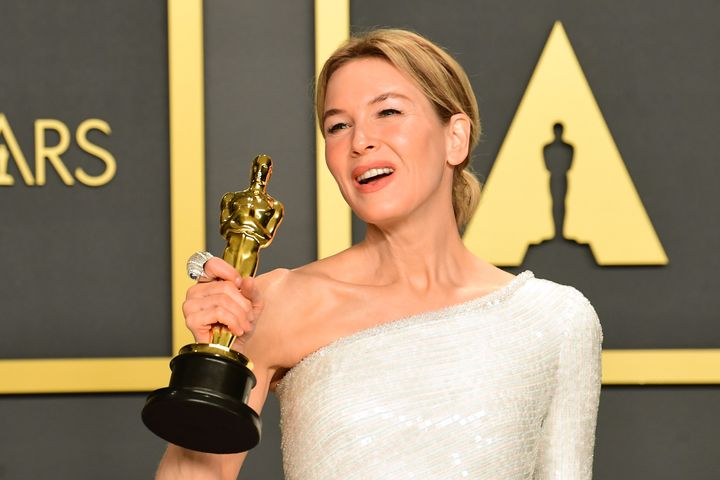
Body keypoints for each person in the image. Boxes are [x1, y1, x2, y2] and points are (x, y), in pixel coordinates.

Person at [156, 28, 602, 480]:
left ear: (456, 138)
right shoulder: (277, 303)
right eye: (338, 125)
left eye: (388, 111)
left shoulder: (554, 319)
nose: (360, 141)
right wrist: (208, 359)